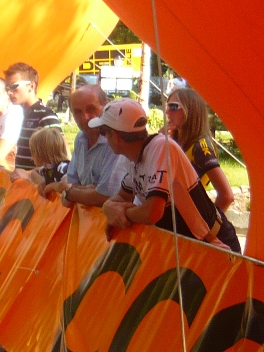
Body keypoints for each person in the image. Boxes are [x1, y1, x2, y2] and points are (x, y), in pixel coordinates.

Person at [96, 100, 241, 253]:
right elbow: (121, 197)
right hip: (188, 246)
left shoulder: (161, 147)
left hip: (214, 243)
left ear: (115, 136)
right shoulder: (132, 157)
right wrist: (108, 207)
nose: (104, 138)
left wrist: (122, 213)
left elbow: (151, 213)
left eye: (103, 132)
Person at [42, 85, 127, 206]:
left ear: (106, 107)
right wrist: (87, 190)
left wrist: (70, 194)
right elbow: (71, 183)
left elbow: (106, 196)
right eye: (77, 112)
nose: (85, 117)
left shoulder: (116, 141)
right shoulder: (80, 138)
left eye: (91, 109)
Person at [165, 88, 235, 213]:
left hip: (186, 221)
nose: (167, 111)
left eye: (173, 107)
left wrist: (209, 222)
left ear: (190, 110)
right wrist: (158, 141)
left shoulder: (200, 146)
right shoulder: (174, 141)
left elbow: (226, 196)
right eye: (167, 106)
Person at [4, 61, 62, 172]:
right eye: (6, 89)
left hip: (37, 182)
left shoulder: (45, 115)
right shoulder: (20, 115)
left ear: (31, 86)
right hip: (21, 181)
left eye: (14, 86)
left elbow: (60, 161)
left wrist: (29, 174)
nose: (9, 92)